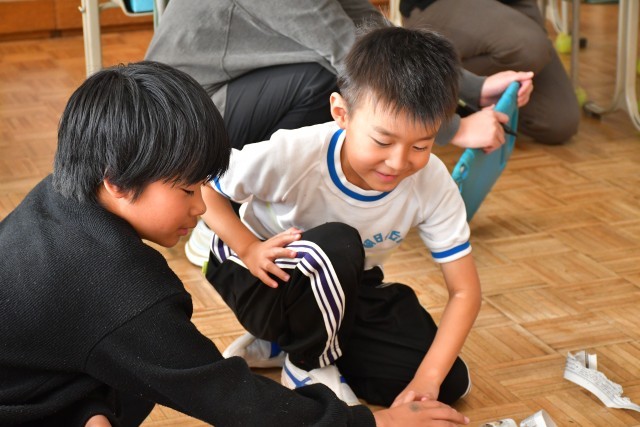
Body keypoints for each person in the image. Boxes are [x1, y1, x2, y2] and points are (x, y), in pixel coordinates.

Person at [0, 61, 470, 427]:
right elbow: (227, 398)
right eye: (188, 191)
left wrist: (89, 410)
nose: (200, 208)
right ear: (118, 182)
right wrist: (376, 422)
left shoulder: (58, 196)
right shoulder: (120, 290)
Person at [201, 26, 482, 410]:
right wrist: (248, 247)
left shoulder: (431, 181)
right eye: (382, 141)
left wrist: (427, 380)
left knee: (450, 381)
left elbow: (465, 291)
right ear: (341, 113)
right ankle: (306, 365)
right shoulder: (294, 152)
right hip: (259, 274)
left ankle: (283, 345)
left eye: (421, 145)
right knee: (338, 243)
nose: (398, 162)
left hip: (342, 287)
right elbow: (205, 186)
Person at [144, 0, 534, 267]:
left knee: (339, 73)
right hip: (182, 117)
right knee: (330, 77)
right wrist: (455, 126)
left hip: (223, 95)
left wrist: (473, 88)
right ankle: (223, 213)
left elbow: (372, 33)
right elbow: (346, 51)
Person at [400, 0, 580, 145]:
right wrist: (456, 126)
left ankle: (463, 100)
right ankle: (439, 90)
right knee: (530, 48)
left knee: (559, 121)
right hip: (435, 4)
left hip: (513, 6)